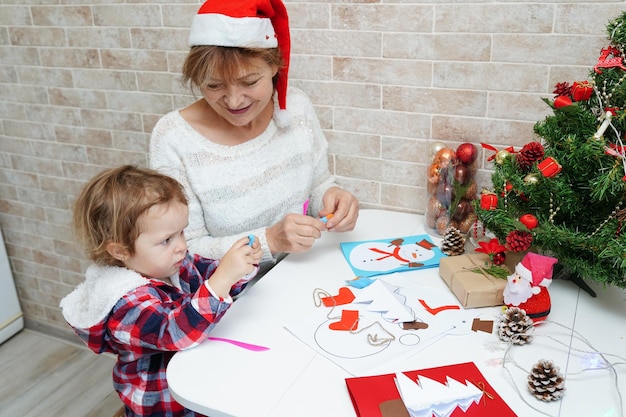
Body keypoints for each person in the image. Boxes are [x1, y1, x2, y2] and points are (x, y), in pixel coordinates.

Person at [149, 0, 359, 276]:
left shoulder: (294, 108)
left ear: (274, 67)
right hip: (226, 302)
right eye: (214, 85)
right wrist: (269, 240)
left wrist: (332, 198)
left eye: (249, 82)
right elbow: (184, 252)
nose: (234, 101)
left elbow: (318, 185)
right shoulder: (173, 139)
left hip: (301, 275)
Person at [59, 165, 262, 417]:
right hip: (163, 405)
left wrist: (239, 268)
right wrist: (222, 279)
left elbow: (210, 274)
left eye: (182, 232)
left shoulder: (170, 261)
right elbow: (176, 332)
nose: (181, 246)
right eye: (166, 239)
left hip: (197, 379)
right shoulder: (126, 303)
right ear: (120, 251)